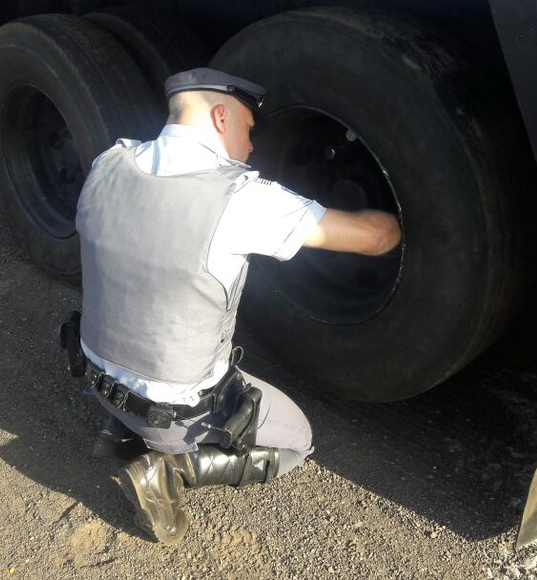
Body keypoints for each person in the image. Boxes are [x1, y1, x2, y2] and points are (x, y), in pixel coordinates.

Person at [74, 67, 401, 544]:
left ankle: (120, 430)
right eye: (249, 131)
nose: (251, 148)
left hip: (97, 381)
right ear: (221, 116)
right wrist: (406, 218)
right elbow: (374, 238)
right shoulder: (242, 198)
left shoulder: (109, 161)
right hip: (171, 415)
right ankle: (171, 470)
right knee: (298, 441)